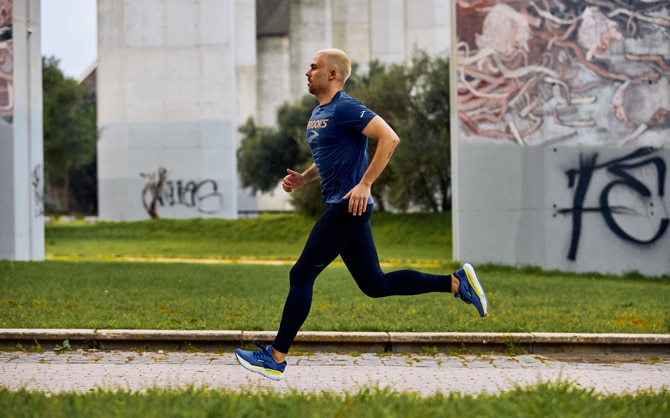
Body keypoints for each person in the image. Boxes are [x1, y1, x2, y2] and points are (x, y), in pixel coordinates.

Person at [235, 48, 488, 381]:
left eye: (314, 67)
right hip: (344, 205)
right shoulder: (318, 113)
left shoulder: (346, 107)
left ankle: (276, 357)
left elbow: (389, 137)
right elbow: (329, 158)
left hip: (348, 207)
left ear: (333, 74)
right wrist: (304, 178)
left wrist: (365, 183)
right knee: (374, 284)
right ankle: (457, 283)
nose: (307, 72)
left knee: (301, 275)